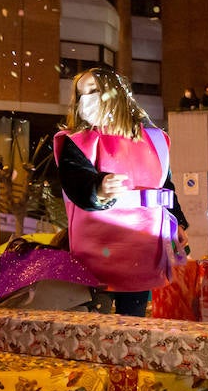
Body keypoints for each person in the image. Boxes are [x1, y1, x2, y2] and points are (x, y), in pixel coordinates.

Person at [54, 67, 188, 316]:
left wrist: (177, 222)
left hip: (143, 253)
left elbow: (165, 186)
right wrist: (98, 189)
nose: (86, 100)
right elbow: (74, 181)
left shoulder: (157, 140)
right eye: (81, 94)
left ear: (115, 94)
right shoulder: (77, 142)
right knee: (93, 326)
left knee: (132, 326)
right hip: (94, 255)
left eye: (93, 91)